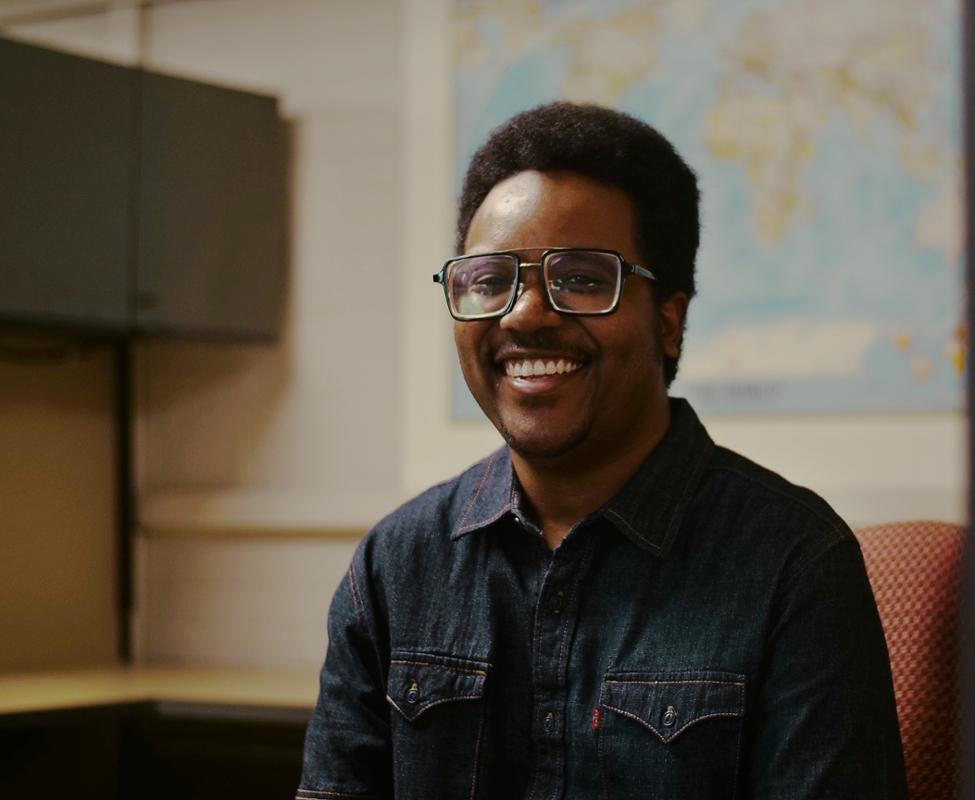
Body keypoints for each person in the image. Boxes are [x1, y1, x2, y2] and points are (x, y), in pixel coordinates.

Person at [297, 102, 906, 800]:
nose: (524, 313)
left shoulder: (792, 563)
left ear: (669, 322)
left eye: (582, 278)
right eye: (490, 280)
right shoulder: (394, 566)